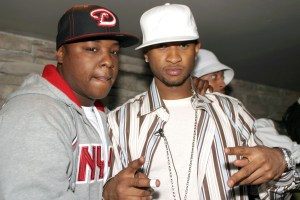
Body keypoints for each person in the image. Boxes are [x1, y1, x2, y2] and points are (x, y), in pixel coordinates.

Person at [105, 3, 299, 199]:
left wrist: (281, 163)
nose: (174, 57)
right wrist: (108, 194)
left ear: (196, 48)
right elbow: (103, 188)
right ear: (146, 54)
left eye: (183, 44)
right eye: (162, 46)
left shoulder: (231, 110)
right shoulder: (120, 120)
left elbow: (269, 192)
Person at [0, 4, 155, 200]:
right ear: (61, 53)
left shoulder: (102, 115)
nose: (108, 61)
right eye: (92, 48)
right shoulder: (34, 112)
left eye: (114, 52)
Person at [192, 49, 300, 164]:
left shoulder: (235, 110)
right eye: (214, 77)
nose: (222, 83)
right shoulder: (187, 108)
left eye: (222, 77)